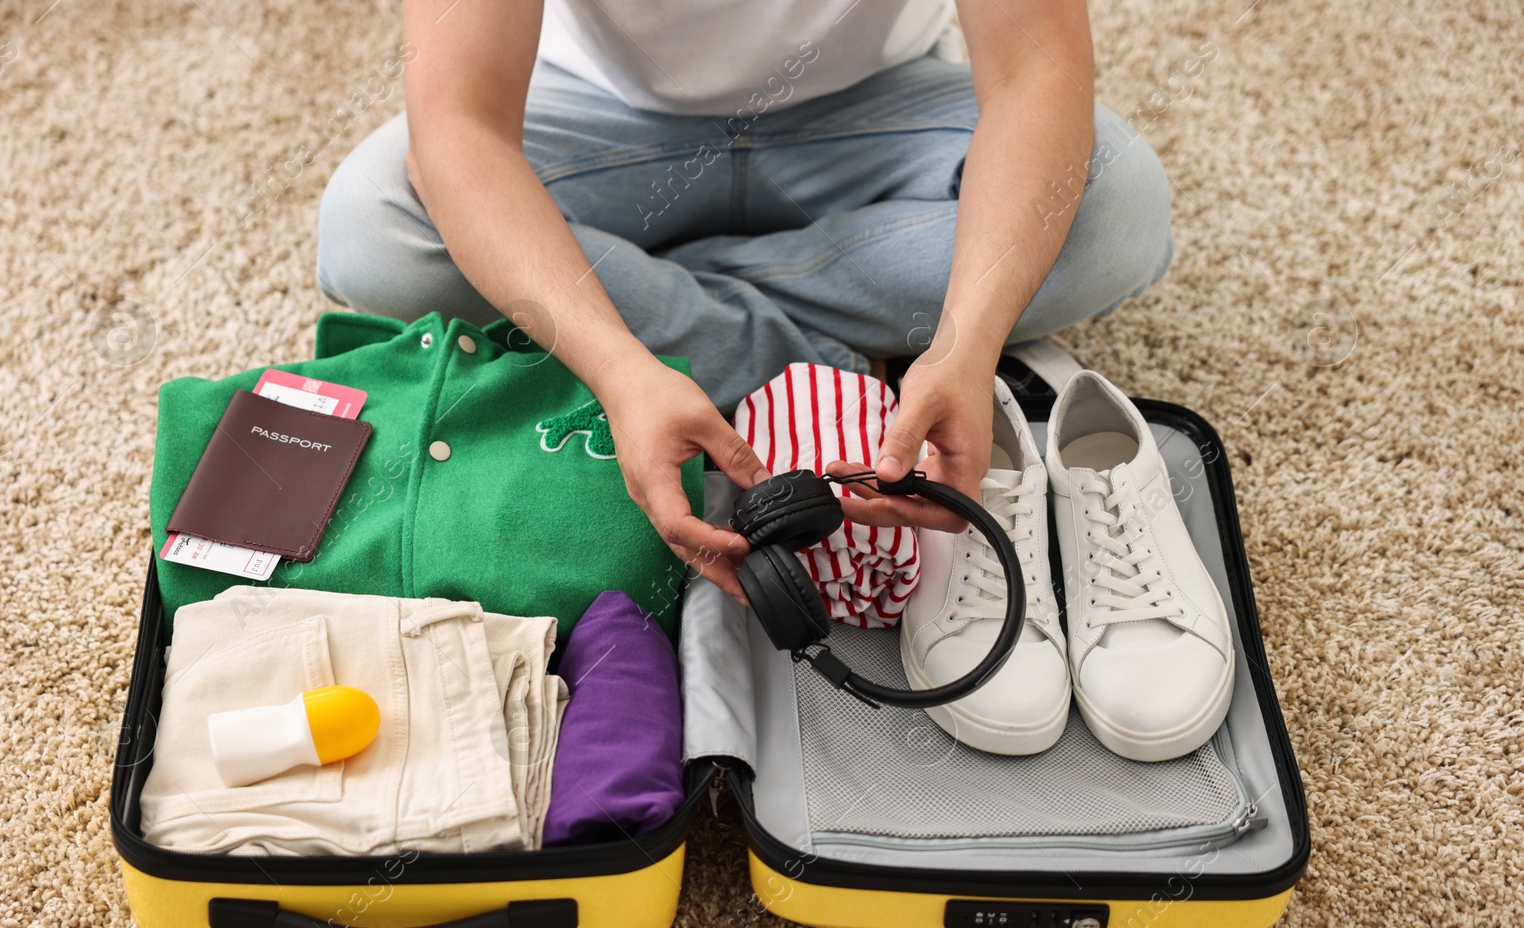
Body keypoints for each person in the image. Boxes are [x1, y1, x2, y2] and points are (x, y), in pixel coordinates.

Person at [317, 0, 1171, 601]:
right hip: (598, 120)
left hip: (871, 108)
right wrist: (620, 373)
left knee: (1113, 205)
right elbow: (459, 125)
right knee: (376, 231)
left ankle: (651, 292)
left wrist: (967, 342)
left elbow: (1037, 76)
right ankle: (831, 341)